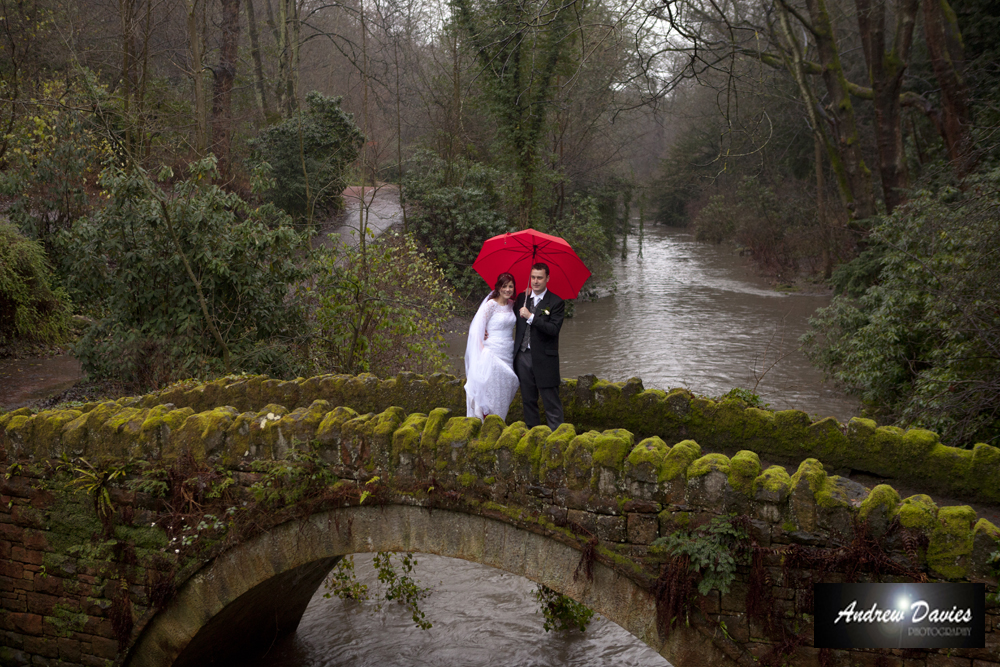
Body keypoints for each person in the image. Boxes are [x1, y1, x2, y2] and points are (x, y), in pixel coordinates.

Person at [512, 263, 564, 429]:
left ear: (547, 279)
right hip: (523, 356)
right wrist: (486, 330)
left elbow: (553, 329)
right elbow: (504, 314)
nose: (535, 281)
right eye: (533, 277)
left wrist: (532, 317)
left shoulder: (556, 302)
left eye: (539, 277)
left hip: (545, 358)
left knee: (551, 402)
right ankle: (533, 435)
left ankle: (558, 438)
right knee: (528, 400)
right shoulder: (522, 298)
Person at [464, 273, 520, 420]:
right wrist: (483, 350)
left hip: (508, 350)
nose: (508, 289)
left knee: (504, 387)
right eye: (504, 286)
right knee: (490, 387)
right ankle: (487, 418)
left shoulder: (513, 305)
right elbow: (476, 330)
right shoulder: (490, 305)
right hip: (492, 351)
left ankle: (499, 419)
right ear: (498, 288)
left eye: (510, 286)